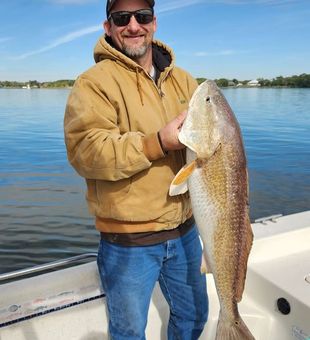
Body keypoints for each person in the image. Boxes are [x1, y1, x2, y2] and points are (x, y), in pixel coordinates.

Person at [64, 0, 208, 338]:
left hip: (186, 231)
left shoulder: (185, 81)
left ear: (154, 23)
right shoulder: (93, 83)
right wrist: (157, 141)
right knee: (128, 332)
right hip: (128, 241)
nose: (133, 25)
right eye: (121, 17)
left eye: (142, 16)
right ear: (108, 26)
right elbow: (86, 152)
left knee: (194, 317)